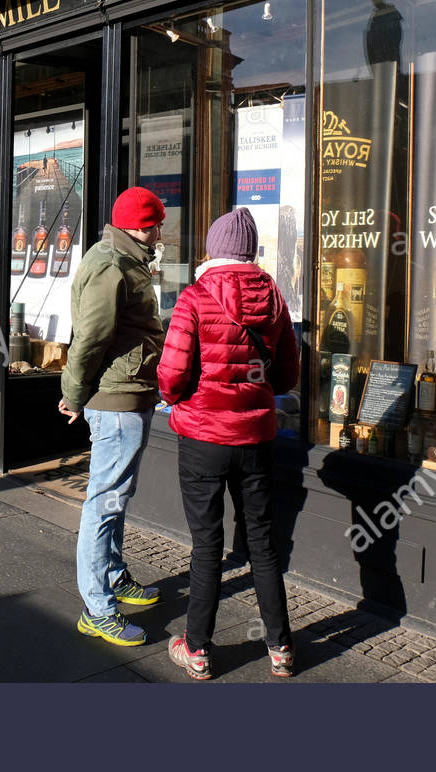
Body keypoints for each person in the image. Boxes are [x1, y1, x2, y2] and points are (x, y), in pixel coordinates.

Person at [157, 207, 301, 680]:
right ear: (251, 252)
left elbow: (173, 375)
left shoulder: (195, 297)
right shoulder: (275, 299)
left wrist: (176, 396)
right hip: (256, 437)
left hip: (202, 437)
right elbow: (286, 376)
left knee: (207, 544)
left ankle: (197, 649)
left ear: (214, 250)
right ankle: (281, 647)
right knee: (262, 542)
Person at [59, 185, 166, 647]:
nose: (160, 230)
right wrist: (74, 393)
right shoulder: (110, 264)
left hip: (130, 395)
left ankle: (114, 576)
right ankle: (96, 607)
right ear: (138, 225)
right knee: (103, 503)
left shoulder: (126, 259)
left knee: (116, 499)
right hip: (115, 400)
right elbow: (90, 339)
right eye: (156, 223)